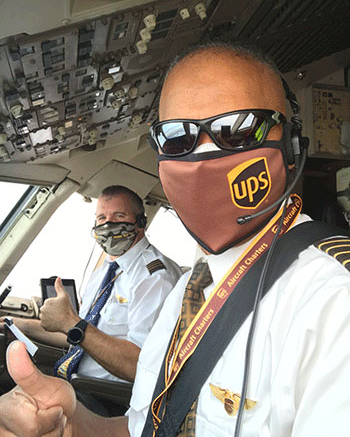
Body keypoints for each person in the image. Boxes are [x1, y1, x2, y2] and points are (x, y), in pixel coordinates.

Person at [0, 42, 349, 437]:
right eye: (177, 138)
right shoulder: (190, 288)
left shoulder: (333, 300)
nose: (203, 156)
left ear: (290, 146)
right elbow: (142, 428)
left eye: (236, 130)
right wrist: (71, 426)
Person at [0, 185, 183, 417]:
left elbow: (140, 367)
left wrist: (71, 322)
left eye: (119, 216)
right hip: (76, 382)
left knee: (17, 413)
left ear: (140, 223)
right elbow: (80, 338)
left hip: (110, 397)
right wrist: (18, 324)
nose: (107, 225)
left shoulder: (155, 278)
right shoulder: (105, 271)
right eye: (101, 218)